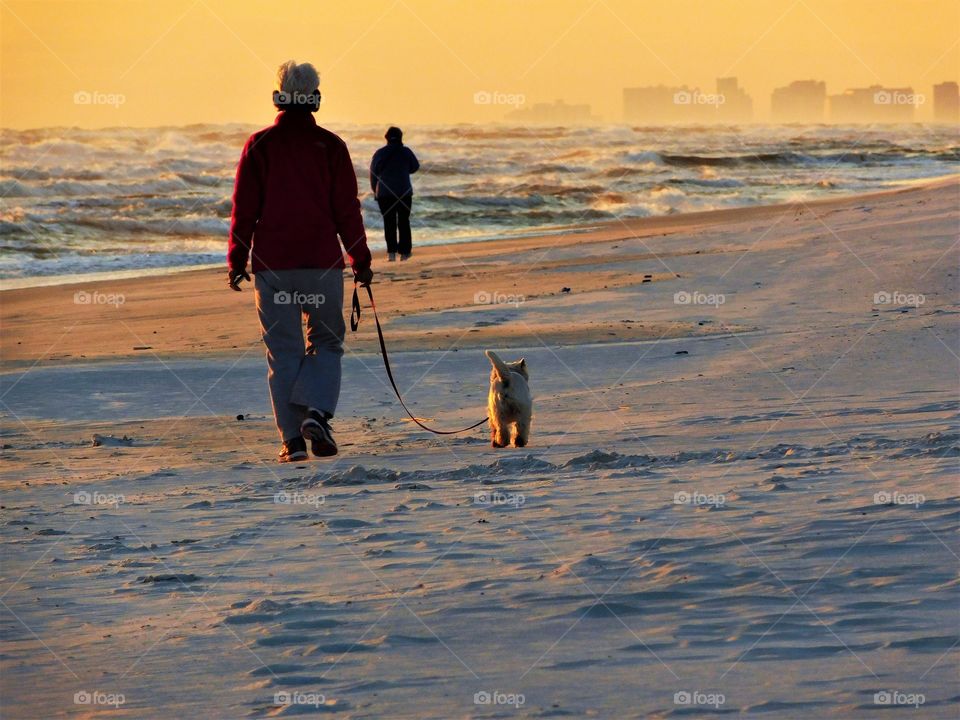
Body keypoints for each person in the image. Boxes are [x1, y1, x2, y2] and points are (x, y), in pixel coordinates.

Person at [227, 60, 373, 463]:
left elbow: (244, 210)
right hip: (323, 266)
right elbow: (347, 211)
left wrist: (236, 260)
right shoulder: (331, 145)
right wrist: (361, 260)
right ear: (315, 97)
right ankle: (316, 414)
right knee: (326, 342)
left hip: (273, 268)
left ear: (279, 93)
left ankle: (292, 442)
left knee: (284, 352)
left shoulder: (259, 145)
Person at [370, 127, 419, 261]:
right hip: (404, 191)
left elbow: (373, 173)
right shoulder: (406, 152)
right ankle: (405, 253)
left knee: (388, 222)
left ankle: (391, 253)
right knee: (404, 221)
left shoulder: (380, 153)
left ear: (386, 138)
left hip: (384, 193)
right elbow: (415, 167)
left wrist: (375, 191)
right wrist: (403, 169)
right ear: (401, 137)